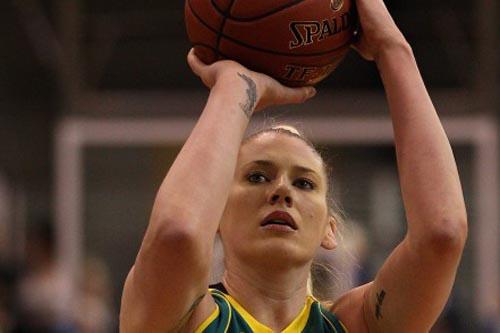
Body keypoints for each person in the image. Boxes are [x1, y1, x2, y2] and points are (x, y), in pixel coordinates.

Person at [119, 0, 468, 331]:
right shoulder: (178, 316)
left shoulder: (355, 325)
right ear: (216, 216)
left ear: (330, 230)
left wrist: (394, 49)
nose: (281, 190)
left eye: (304, 184)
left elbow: (442, 233)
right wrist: (235, 87)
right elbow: (175, 233)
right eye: (257, 176)